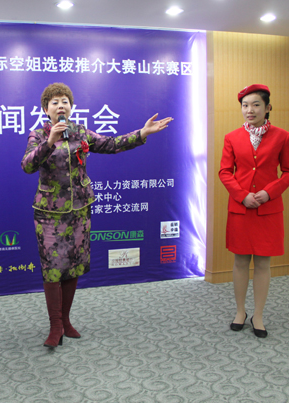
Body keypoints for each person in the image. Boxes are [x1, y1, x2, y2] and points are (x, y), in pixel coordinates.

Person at [21, 82, 173, 347]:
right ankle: (55, 326)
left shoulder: (80, 132)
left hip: (80, 209)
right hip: (49, 214)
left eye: (65, 101)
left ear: (71, 107)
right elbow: (27, 165)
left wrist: (142, 133)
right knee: (53, 269)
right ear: (46, 109)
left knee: (74, 265)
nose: (61, 106)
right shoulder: (38, 135)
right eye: (55, 102)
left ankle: (66, 321)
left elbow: (111, 144)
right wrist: (50, 141)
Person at [219, 84, 289, 338]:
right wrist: (242, 195)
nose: (249, 110)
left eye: (255, 105)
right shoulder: (232, 137)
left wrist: (269, 192)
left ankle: (258, 315)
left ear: (267, 107)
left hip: (268, 209)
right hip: (241, 208)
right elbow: (225, 172)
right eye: (245, 105)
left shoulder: (283, 136)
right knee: (240, 261)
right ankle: (240, 312)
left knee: (263, 263)